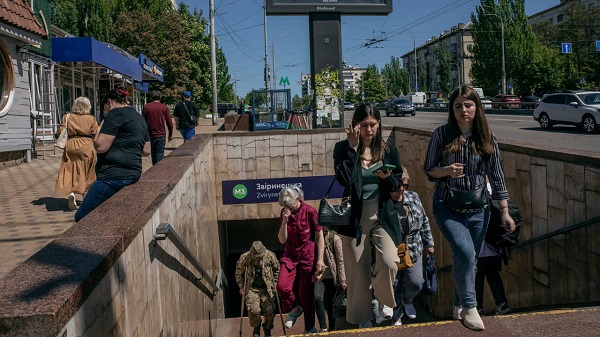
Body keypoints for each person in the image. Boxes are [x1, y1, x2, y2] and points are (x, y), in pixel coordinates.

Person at [423, 85, 515, 331]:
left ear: (477, 107)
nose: (464, 110)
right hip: (446, 204)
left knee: (469, 259)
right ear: (452, 109)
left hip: (479, 207)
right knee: (465, 253)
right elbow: (429, 170)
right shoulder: (441, 135)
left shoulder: (486, 137)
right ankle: (471, 307)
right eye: (458, 106)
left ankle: (457, 302)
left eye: (468, 104)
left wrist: (504, 210)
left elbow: (497, 175)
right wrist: (447, 171)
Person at [332, 103, 403, 328]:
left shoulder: (389, 151)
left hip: (382, 216)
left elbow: (397, 186)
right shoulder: (342, 148)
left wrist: (387, 179)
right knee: (358, 277)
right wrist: (353, 150)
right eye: (363, 125)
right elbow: (344, 180)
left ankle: (383, 302)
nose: (368, 130)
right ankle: (362, 320)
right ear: (355, 126)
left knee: (390, 261)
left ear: (379, 124)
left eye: (372, 125)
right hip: (354, 220)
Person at [74, 87, 150, 222]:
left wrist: (103, 121)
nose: (105, 111)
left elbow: (100, 146)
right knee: (111, 217)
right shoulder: (139, 117)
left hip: (112, 176)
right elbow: (146, 151)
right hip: (133, 174)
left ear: (109, 102)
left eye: (105, 108)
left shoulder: (115, 114)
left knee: (81, 217)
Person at [380, 169, 435, 326]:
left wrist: (429, 243)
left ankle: (407, 300)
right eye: (399, 185)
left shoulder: (413, 197)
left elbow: (423, 220)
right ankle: (396, 316)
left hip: (413, 249)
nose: (402, 189)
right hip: (393, 251)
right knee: (395, 284)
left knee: (416, 282)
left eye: (405, 185)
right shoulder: (383, 202)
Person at [276, 186, 325, 334]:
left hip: (307, 256)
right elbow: (281, 240)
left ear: (298, 200)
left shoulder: (310, 211)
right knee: (282, 286)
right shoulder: (285, 213)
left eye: (289, 205)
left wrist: (320, 260)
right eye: (284, 206)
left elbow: (320, 236)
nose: (287, 208)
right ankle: (294, 308)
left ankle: (310, 328)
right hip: (290, 255)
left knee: (307, 295)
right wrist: (284, 221)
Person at [54, 96, 99, 210]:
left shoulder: (67, 117)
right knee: (86, 170)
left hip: (71, 144)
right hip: (87, 145)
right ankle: (84, 195)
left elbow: (59, 132)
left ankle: (72, 192)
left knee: (70, 169)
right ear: (88, 106)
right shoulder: (91, 119)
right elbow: (95, 134)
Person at [475, 182, 511, 316]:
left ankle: (478, 308)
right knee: (493, 274)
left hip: (481, 242)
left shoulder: (477, 188)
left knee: (478, 276)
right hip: (495, 243)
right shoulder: (497, 189)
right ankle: (502, 304)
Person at [235, 241, 280, 337]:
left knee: (270, 312)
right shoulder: (245, 258)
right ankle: (256, 327)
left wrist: (275, 283)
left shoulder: (270, 256)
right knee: (253, 311)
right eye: (256, 256)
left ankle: (267, 328)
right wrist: (241, 286)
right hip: (252, 288)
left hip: (267, 288)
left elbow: (277, 269)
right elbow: (239, 273)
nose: (257, 258)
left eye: (259, 256)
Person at [314, 225, 346, 332]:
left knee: (331, 302)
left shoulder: (334, 238)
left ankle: (332, 326)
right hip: (319, 276)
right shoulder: (313, 238)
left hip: (332, 275)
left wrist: (342, 279)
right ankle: (323, 327)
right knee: (318, 298)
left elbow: (340, 260)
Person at [142, 90, 173, 165]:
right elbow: (169, 123)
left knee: (153, 155)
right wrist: (170, 134)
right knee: (159, 155)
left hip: (150, 134)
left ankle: (154, 169)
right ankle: (158, 172)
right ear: (160, 97)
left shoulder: (146, 107)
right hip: (161, 134)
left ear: (151, 97)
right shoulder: (164, 107)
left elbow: (143, 121)